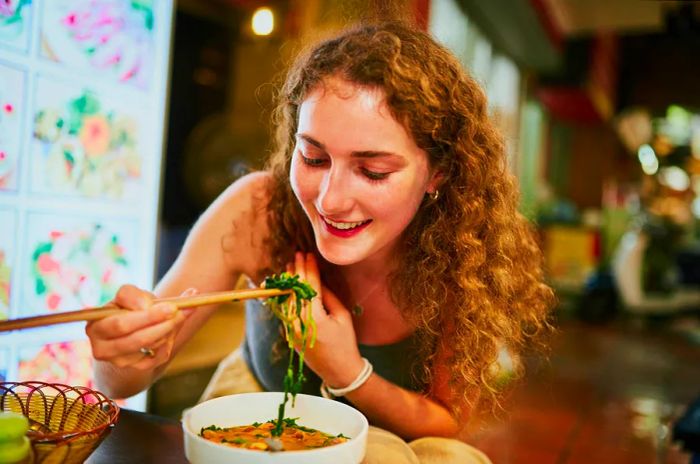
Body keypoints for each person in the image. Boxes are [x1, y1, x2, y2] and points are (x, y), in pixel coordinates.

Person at [85, 20, 554, 463]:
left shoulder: (464, 252)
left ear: (438, 172)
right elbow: (124, 380)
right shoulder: (259, 211)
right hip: (254, 409)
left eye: (373, 171)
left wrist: (346, 371)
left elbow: (447, 423)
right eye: (313, 158)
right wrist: (123, 355)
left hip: (401, 439)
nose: (330, 200)